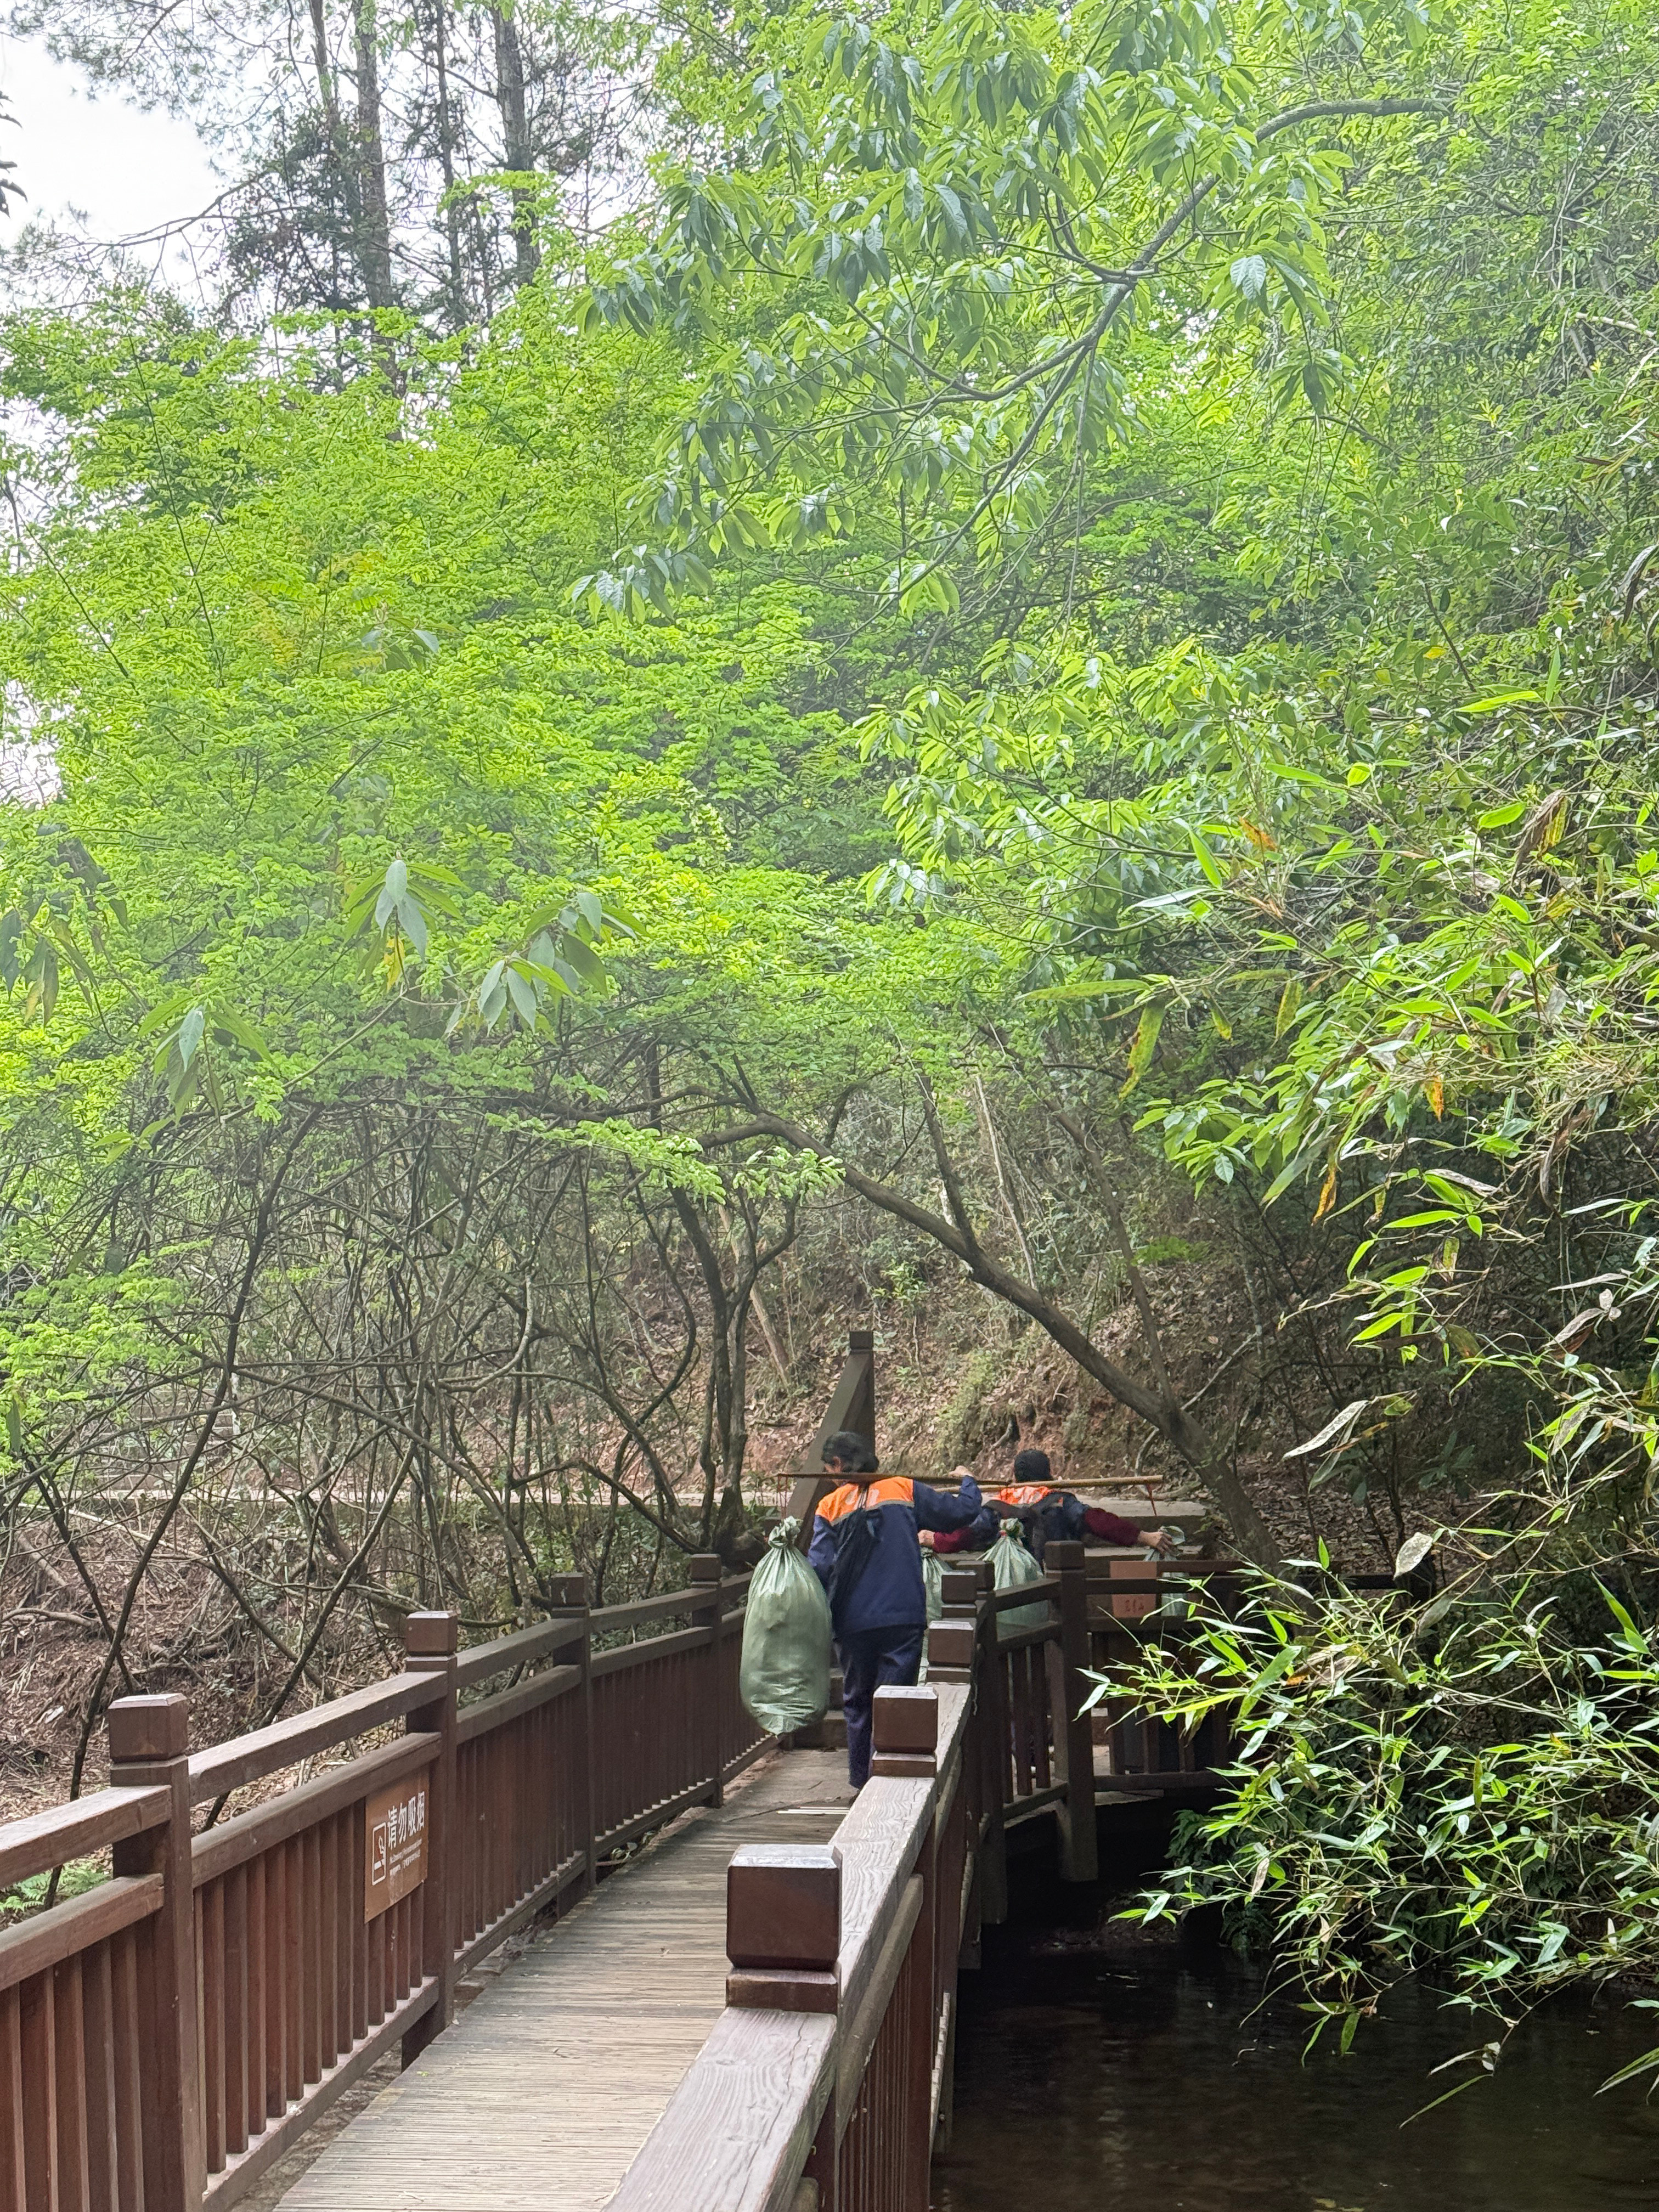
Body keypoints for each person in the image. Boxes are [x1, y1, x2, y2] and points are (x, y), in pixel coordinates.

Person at [808, 1430, 985, 1790]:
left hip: (852, 1620)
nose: (829, 1477)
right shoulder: (903, 1489)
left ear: (839, 1465)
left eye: (830, 1469)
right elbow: (962, 1514)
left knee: (858, 1701)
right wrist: (969, 1481)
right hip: (902, 1613)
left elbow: (820, 1567)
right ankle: (888, 1781)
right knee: (895, 1697)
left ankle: (861, 1782)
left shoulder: (830, 1506)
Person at [930, 1448, 1177, 1559]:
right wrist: (1144, 1536)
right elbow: (1099, 1521)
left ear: (1015, 1478)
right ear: (1049, 1475)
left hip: (1008, 1590)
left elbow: (967, 1534)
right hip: (1058, 1585)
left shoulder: (999, 1505)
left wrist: (933, 1539)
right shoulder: (1060, 1501)